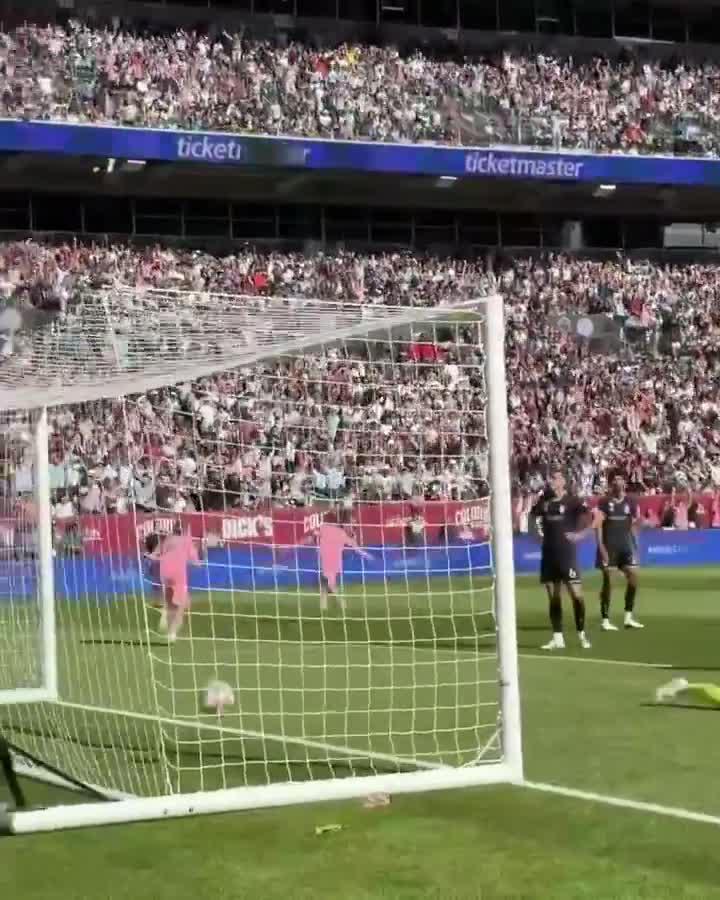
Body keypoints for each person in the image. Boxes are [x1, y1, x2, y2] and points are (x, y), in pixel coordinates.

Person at [532, 470, 592, 651]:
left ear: (563, 481)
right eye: (550, 477)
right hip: (549, 554)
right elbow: (532, 516)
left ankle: (581, 634)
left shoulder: (573, 501)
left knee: (576, 594)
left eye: (555, 478)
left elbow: (594, 517)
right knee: (553, 596)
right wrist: (536, 533)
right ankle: (557, 638)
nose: (551, 480)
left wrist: (580, 535)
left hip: (567, 554)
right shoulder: (544, 500)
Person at [594, 473, 643, 631]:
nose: (617, 481)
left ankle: (628, 617)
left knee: (634, 578)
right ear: (611, 485)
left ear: (624, 484)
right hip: (609, 548)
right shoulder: (604, 502)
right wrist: (601, 547)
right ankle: (605, 620)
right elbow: (598, 525)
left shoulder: (630, 502)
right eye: (615, 479)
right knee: (609, 583)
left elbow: (632, 525)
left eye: (620, 479)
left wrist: (635, 546)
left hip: (625, 547)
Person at [146, 522, 201, 642]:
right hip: (178, 574)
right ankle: (172, 632)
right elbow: (195, 560)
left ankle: (165, 617)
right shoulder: (186, 540)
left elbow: (155, 555)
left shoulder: (167, 540)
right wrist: (197, 562)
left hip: (164, 573)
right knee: (181, 604)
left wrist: (149, 556)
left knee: (170, 603)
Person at [315, 511, 373, 612]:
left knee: (330, 584)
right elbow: (317, 534)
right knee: (325, 586)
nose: (351, 527)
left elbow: (356, 548)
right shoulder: (333, 530)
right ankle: (323, 608)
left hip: (332, 562)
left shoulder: (341, 534)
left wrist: (367, 555)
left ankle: (342, 603)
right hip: (326, 560)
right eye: (350, 524)